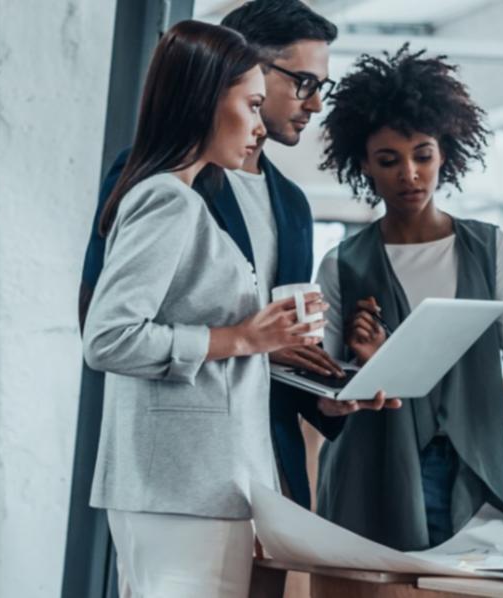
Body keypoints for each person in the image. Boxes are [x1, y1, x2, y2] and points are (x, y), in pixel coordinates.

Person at [79, 0, 385, 515]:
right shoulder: (160, 180)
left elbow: (282, 342)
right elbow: (102, 322)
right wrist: (245, 341)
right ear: (245, 69)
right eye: (304, 83)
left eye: (321, 87)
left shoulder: (292, 204)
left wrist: (329, 392)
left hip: (270, 456)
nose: (315, 104)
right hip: (184, 465)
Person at [309, 46, 503, 551]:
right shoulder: (343, 264)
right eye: (389, 160)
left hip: (473, 473)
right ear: (364, 165)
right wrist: (363, 370)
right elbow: (326, 397)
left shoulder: (488, 249)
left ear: (444, 152)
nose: (409, 174)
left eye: (422, 155)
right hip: (372, 478)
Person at [82, 20, 325, 595]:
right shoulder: (167, 199)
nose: (260, 126)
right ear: (205, 100)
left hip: (203, 485)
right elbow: (107, 337)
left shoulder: (185, 196)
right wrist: (241, 338)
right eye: (252, 105)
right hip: (179, 487)